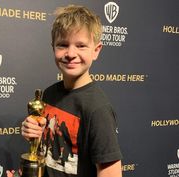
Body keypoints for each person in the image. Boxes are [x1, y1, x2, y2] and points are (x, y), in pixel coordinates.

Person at [7, 4, 122, 177]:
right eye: (62, 45)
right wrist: (32, 132)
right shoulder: (49, 93)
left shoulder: (98, 109)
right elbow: (46, 148)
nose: (70, 53)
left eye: (81, 46)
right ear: (53, 47)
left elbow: (110, 172)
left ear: (96, 51)